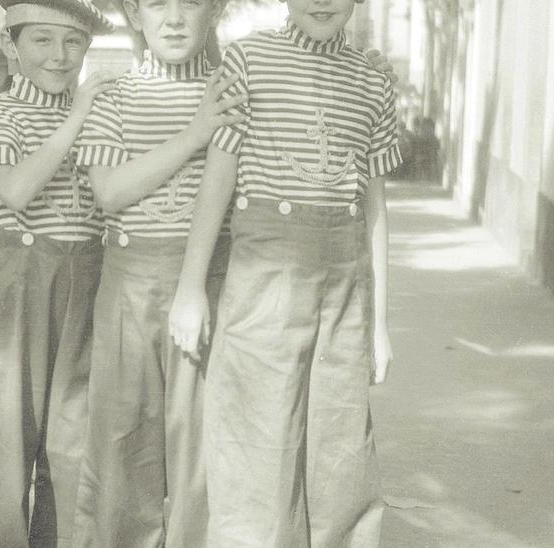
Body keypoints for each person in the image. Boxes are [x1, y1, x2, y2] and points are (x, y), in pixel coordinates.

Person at [168, 0, 401, 545]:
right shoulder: (248, 61)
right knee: (258, 438)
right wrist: (190, 289)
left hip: (344, 285)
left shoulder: (372, 80)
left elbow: (374, 208)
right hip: (264, 279)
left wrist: (381, 323)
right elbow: (218, 181)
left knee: (339, 442)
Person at [71, 0, 246, 545]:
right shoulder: (115, 96)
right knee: (125, 443)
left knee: (201, 448)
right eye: (155, 3)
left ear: (214, 12)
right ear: (133, 12)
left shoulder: (233, 90)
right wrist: (196, 133)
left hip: (210, 283)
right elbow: (110, 192)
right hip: (130, 287)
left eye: (190, 3)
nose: (173, 18)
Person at [0, 0, 116, 544]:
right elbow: (17, 190)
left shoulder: (101, 108)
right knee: (4, 438)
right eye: (42, 40)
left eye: (72, 42)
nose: (58, 56)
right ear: (11, 46)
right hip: (19, 283)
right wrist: (78, 118)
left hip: (89, 278)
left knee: (75, 440)